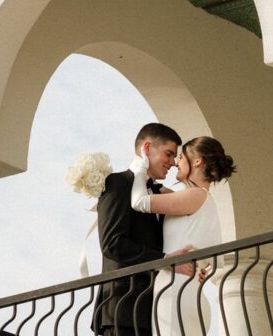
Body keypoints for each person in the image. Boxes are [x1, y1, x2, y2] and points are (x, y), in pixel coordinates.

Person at [93, 123, 195, 336]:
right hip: (122, 310)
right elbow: (113, 244)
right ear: (147, 148)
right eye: (168, 154)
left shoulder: (157, 195)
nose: (173, 163)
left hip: (154, 312)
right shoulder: (118, 183)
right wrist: (165, 260)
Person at [130, 136, 236, 336]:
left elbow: (139, 202)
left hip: (175, 290)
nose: (176, 163)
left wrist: (140, 169)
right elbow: (161, 192)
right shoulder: (200, 199)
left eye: (181, 157)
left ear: (197, 161)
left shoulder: (195, 195)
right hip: (187, 290)